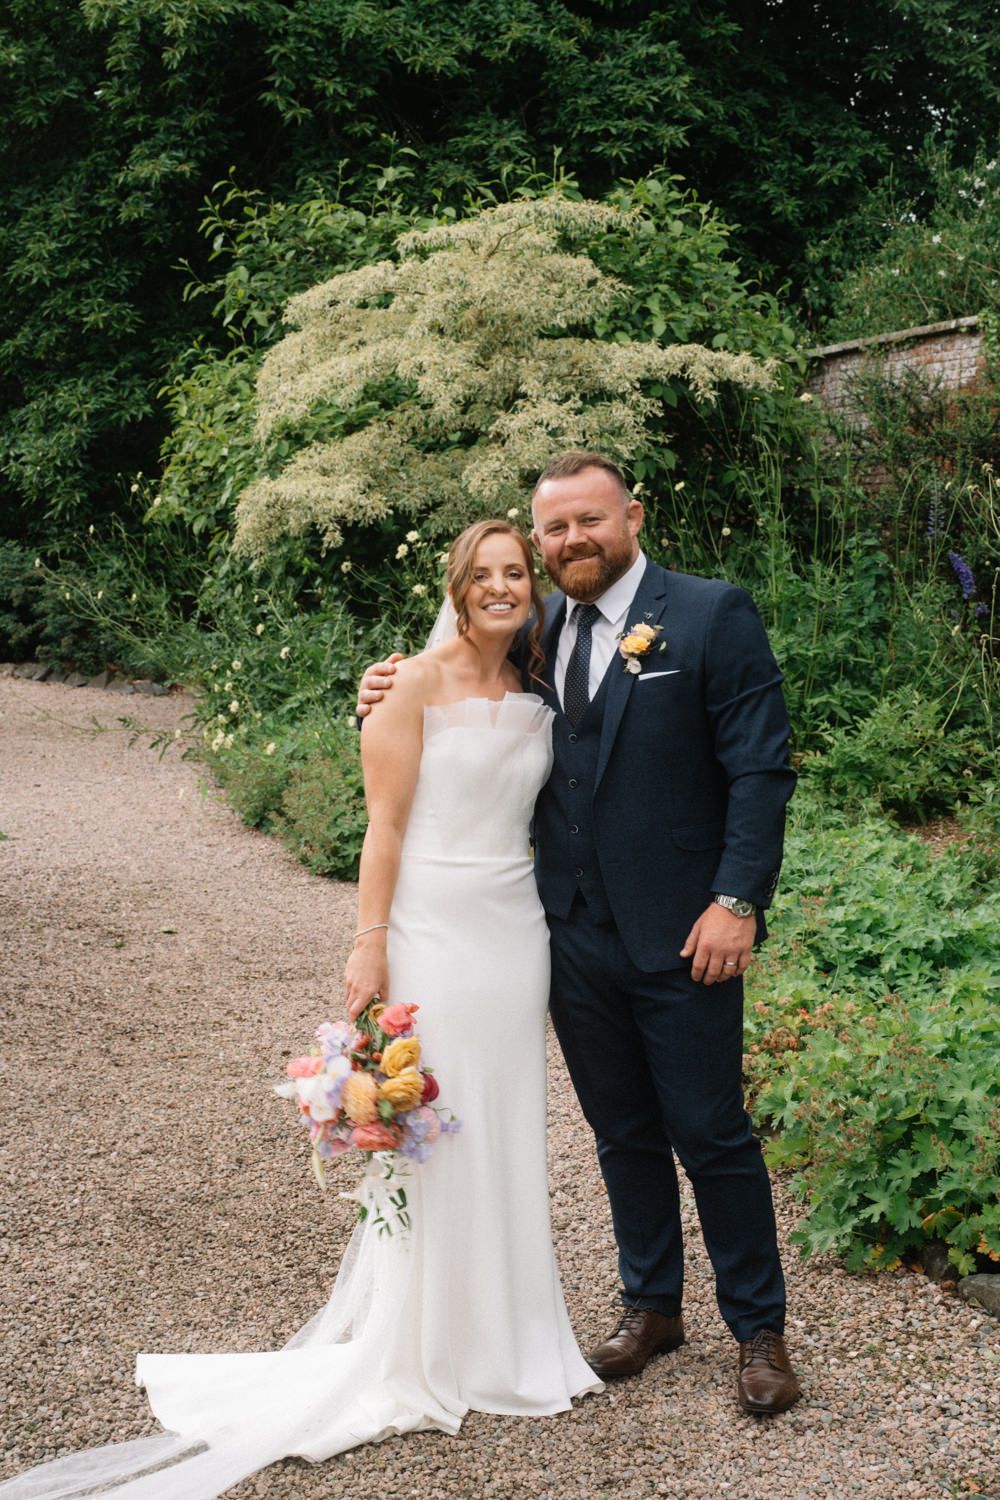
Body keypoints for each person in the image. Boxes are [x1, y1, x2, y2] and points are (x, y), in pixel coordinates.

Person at [0, 519, 601, 1500]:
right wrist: (369, 944)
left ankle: (509, 1332)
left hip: (513, 930)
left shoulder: (536, 686)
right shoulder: (408, 683)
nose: (500, 588)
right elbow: (386, 824)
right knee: (436, 1121)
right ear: (456, 586)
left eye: (514, 574)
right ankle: (425, 1340)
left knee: (502, 1118)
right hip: (433, 930)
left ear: (530, 587)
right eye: (483, 574)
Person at [358, 451, 802, 1415]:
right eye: (553, 529)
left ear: (633, 516)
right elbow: (451, 697)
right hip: (564, 936)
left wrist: (738, 898)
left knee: (712, 1129)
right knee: (619, 1131)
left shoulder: (711, 614)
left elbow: (761, 769)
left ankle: (758, 1329)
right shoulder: (536, 625)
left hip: (688, 931)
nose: (570, 543)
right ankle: (650, 1305)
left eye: (588, 522)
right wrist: (382, 686)